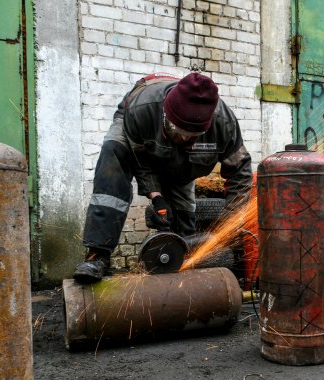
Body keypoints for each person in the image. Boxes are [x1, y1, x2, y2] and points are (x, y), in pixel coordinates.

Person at [73, 72, 253, 283]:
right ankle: (98, 255)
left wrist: (229, 223)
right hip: (137, 126)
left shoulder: (224, 125)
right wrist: (156, 195)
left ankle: (181, 261)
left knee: (183, 221)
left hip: (184, 164)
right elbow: (139, 160)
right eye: (180, 130)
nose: (185, 137)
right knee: (113, 157)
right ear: (167, 115)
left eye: (192, 134)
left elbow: (241, 172)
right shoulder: (142, 110)